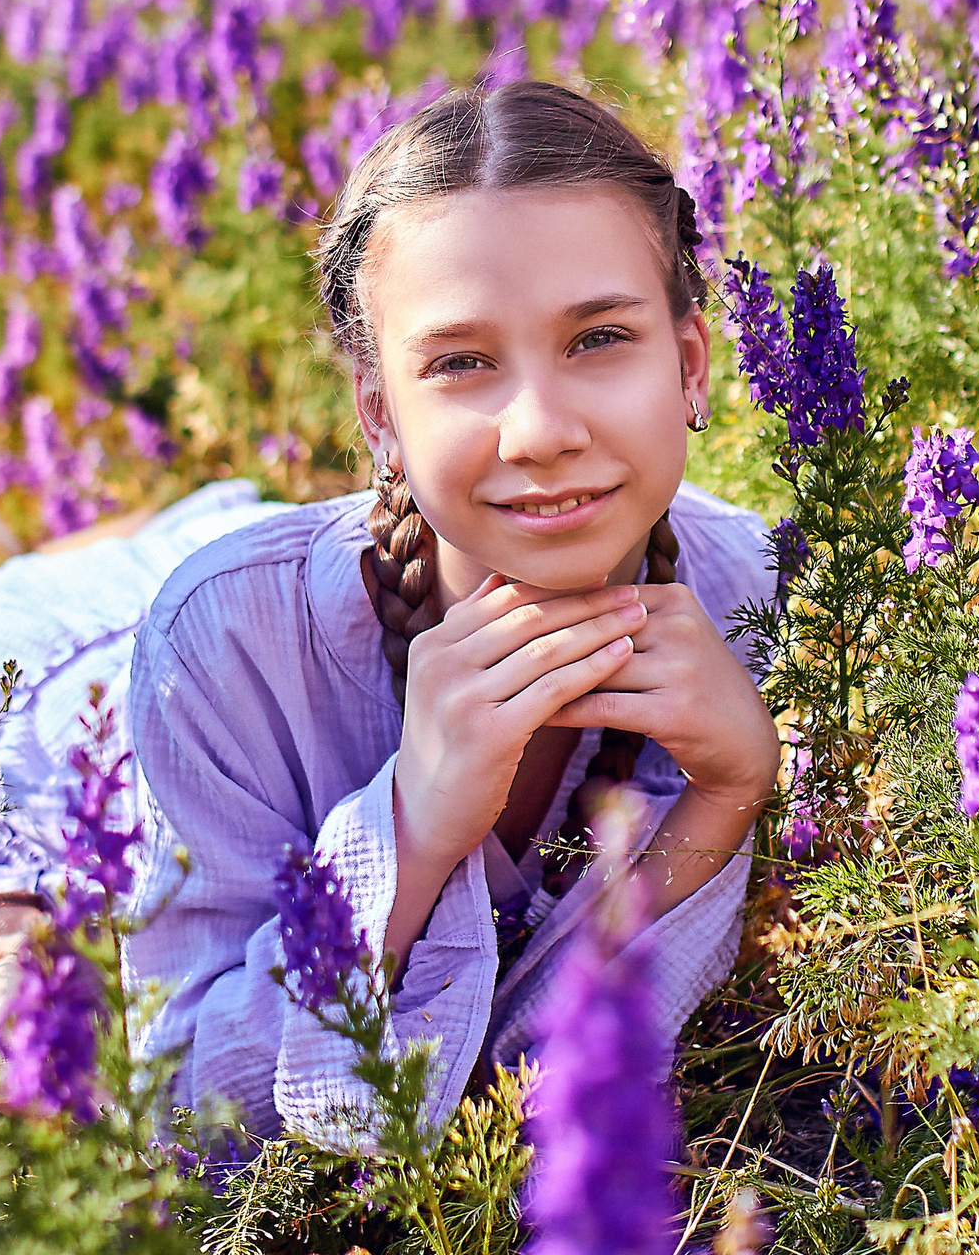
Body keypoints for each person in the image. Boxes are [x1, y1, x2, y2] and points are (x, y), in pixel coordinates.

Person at [123, 79, 783, 1144]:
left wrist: (729, 790)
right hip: (104, 669)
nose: (539, 430)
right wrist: (411, 834)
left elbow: (543, 1077)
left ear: (690, 365)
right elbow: (180, 1125)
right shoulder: (222, 649)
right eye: (462, 364)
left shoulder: (751, 597)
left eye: (599, 340)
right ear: (380, 415)